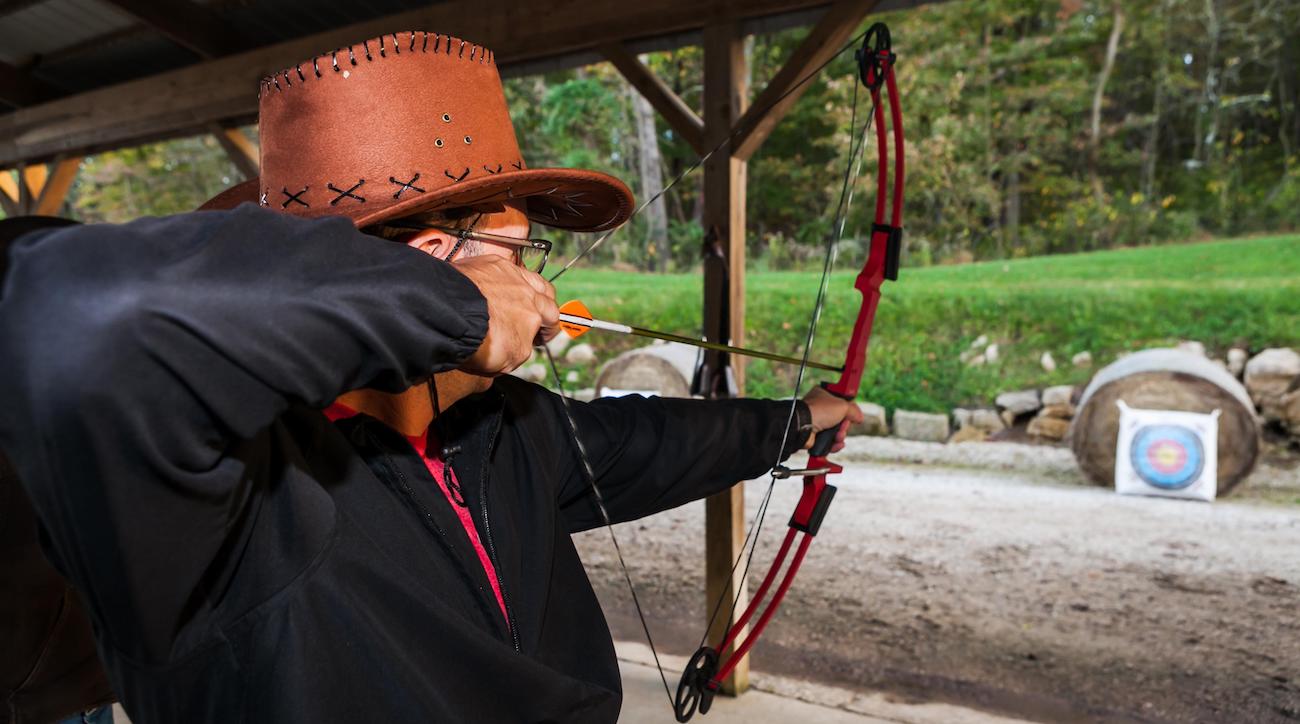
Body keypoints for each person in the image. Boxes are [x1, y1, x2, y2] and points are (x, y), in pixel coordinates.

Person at [0, 32, 862, 723]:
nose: (541, 289)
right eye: (521, 256)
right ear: (425, 263)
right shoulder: (225, 497)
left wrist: (801, 419)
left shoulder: (509, 428)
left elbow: (647, 440)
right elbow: (73, 319)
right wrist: (456, 309)